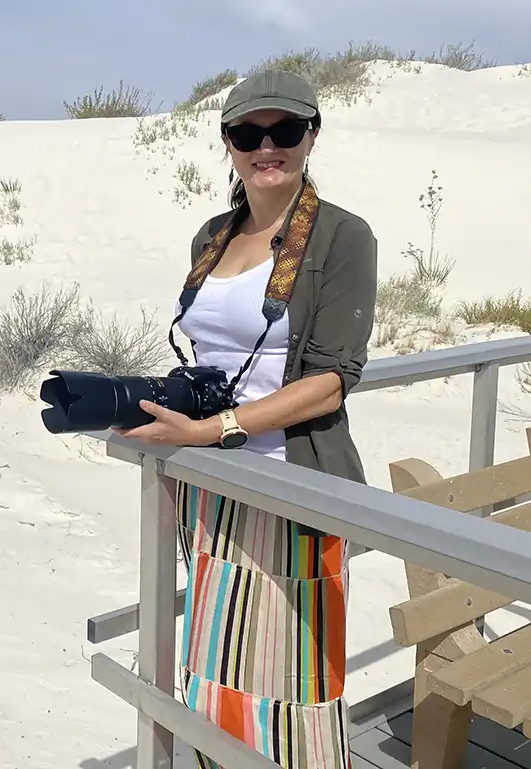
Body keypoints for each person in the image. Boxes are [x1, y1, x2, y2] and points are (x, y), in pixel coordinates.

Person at [116, 69, 377, 768]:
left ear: (311, 136)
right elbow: (216, 353)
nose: (268, 147)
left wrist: (212, 429)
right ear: (228, 143)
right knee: (219, 661)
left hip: (297, 486)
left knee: (292, 681)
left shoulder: (342, 238)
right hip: (213, 487)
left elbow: (329, 381)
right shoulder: (212, 233)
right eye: (248, 133)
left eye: (285, 131)